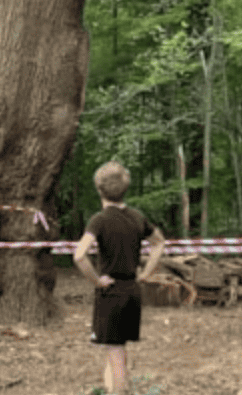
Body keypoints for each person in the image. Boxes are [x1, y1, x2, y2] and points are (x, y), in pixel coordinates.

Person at [73, 161, 167, 395]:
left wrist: (96, 281)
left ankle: (119, 391)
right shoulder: (137, 217)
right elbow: (159, 242)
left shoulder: (99, 219)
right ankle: (112, 388)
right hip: (132, 291)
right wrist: (145, 274)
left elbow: (79, 256)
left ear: (99, 189)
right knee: (117, 348)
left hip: (111, 292)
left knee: (115, 354)